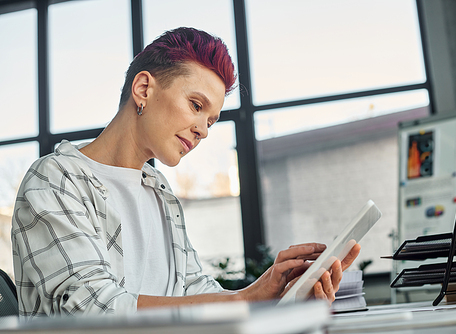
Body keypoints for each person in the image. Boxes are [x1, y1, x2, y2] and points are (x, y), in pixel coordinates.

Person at [11, 27, 360, 318]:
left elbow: (194, 290)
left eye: (210, 121)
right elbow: (92, 309)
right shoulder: (55, 180)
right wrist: (244, 300)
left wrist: (274, 297)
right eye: (195, 106)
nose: (203, 130)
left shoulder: (159, 191)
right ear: (143, 89)